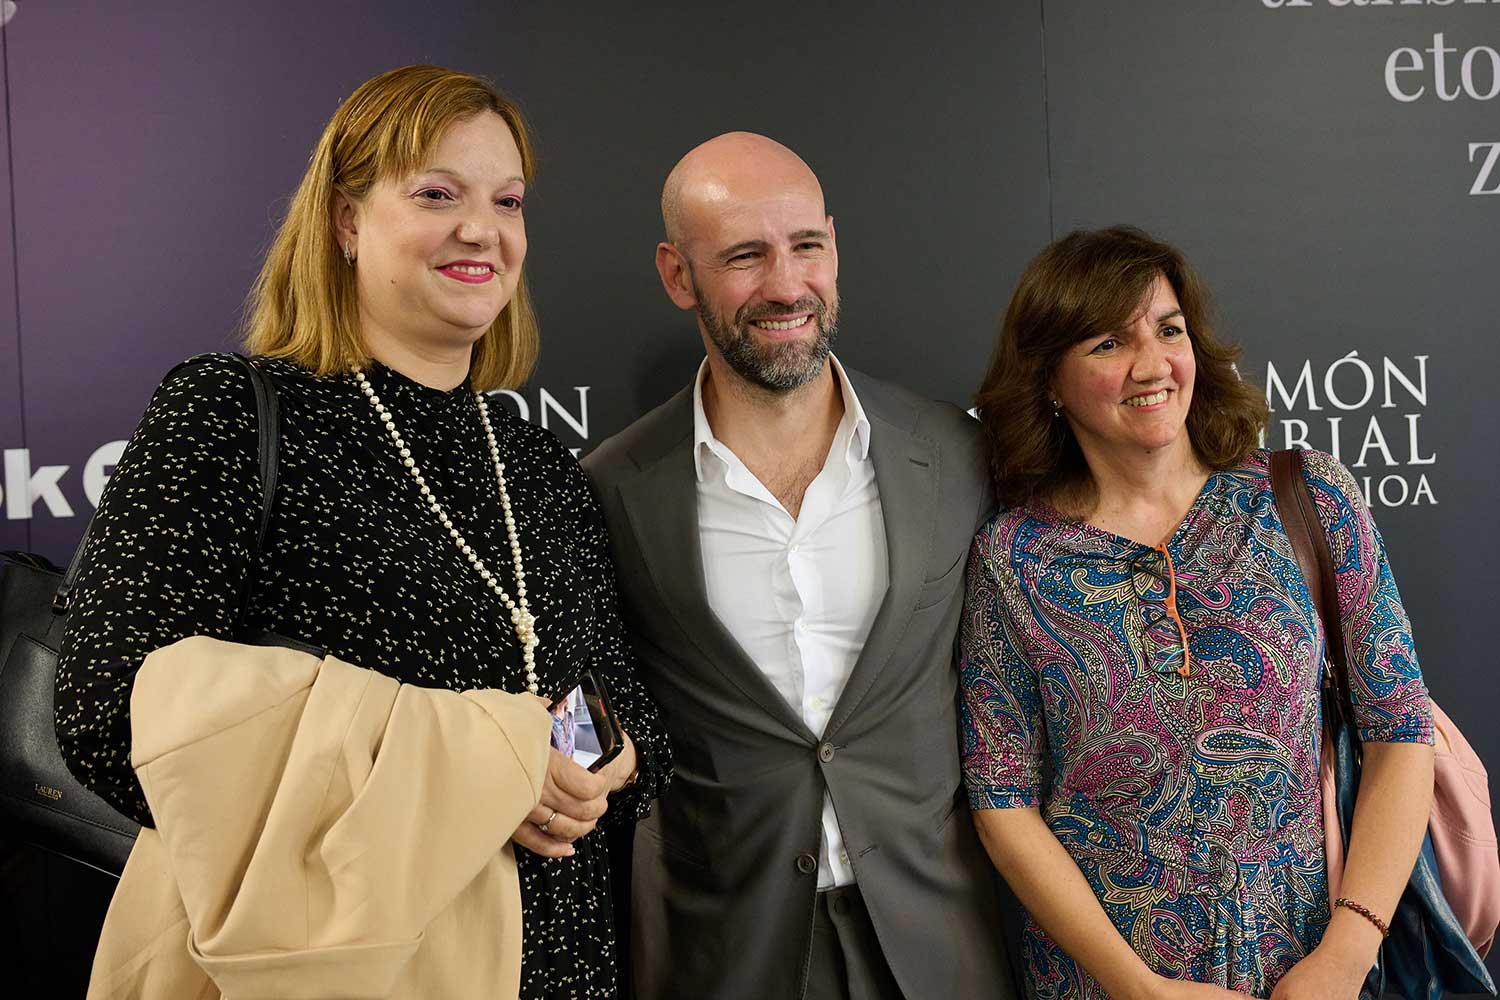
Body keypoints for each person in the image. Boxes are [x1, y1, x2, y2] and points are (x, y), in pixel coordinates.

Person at [55, 64, 669, 999]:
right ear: (346, 221)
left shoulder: (539, 466)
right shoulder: (230, 413)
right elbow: (110, 716)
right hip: (349, 970)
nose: (483, 229)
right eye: (437, 194)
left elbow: (624, 706)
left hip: (564, 968)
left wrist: (601, 765)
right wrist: (475, 777)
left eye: (507, 201)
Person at [582, 132, 1017, 1000]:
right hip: (724, 950)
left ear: (834, 248)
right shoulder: (612, 490)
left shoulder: (955, 453)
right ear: (678, 274)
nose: (786, 286)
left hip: (938, 942)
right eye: (745, 256)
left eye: (806, 246)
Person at [961, 225, 1435, 1000]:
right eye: (1109, 343)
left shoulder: (1306, 495)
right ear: (1050, 381)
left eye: (1169, 330)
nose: (1153, 365)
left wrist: (1348, 952)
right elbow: (1001, 801)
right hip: (1102, 980)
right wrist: (1137, 987)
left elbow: (1400, 729)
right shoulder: (1013, 558)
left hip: (1311, 968)